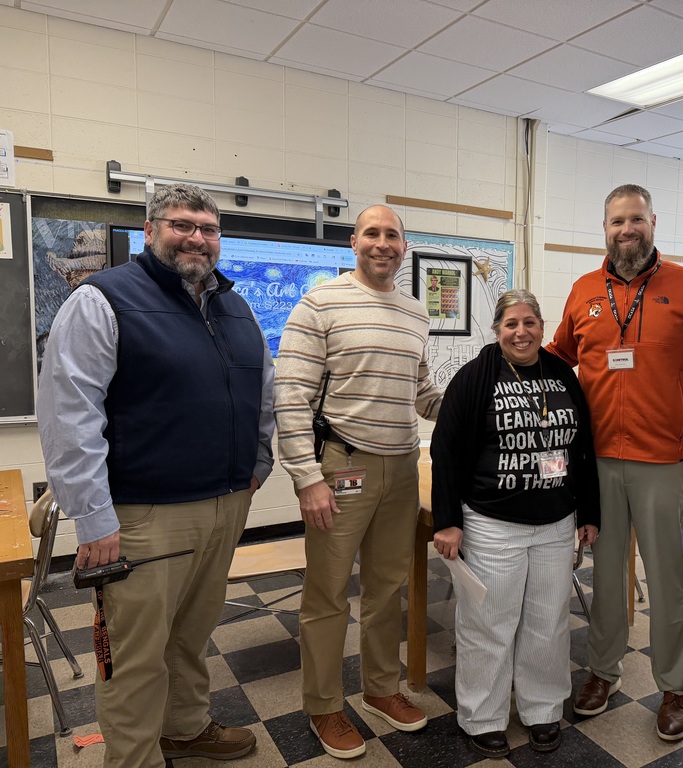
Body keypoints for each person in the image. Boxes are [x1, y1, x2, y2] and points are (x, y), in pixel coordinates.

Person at [37, 183, 275, 767]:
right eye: (182, 224)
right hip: (143, 515)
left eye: (209, 228)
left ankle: (185, 728)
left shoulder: (234, 306)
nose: (197, 237)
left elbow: (262, 391)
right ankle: (134, 759)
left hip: (224, 504)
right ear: (150, 231)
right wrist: (93, 519)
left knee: (191, 636)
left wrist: (259, 462)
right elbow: (70, 415)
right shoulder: (103, 299)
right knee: (135, 654)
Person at [548, 183, 683, 742]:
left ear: (653, 223)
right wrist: (505, 360)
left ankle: (674, 684)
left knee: (667, 578)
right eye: (617, 221)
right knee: (605, 574)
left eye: (637, 220)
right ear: (604, 228)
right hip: (596, 459)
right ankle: (603, 671)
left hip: (661, 460)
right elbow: (557, 359)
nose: (627, 230)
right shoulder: (582, 291)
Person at [274, 205, 443, 760]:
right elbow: (292, 395)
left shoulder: (417, 314)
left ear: (404, 246)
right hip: (342, 466)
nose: (382, 243)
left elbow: (420, 393)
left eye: (392, 235)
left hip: (400, 465)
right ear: (354, 242)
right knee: (326, 591)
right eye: (372, 233)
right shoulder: (320, 303)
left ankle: (381, 689)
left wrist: (471, 401)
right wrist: (306, 478)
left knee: (387, 586)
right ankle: (324, 704)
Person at [431, 290, 600, 758]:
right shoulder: (474, 377)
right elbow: (444, 452)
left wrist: (589, 512)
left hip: (554, 523)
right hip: (491, 523)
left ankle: (543, 710)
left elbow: (580, 448)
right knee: (489, 622)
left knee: (548, 622)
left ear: (542, 327)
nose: (520, 332)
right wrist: (447, 521)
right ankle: (481, 716)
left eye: (529, 322)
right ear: (497, 330)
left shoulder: (561, 373)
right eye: (511, 324)